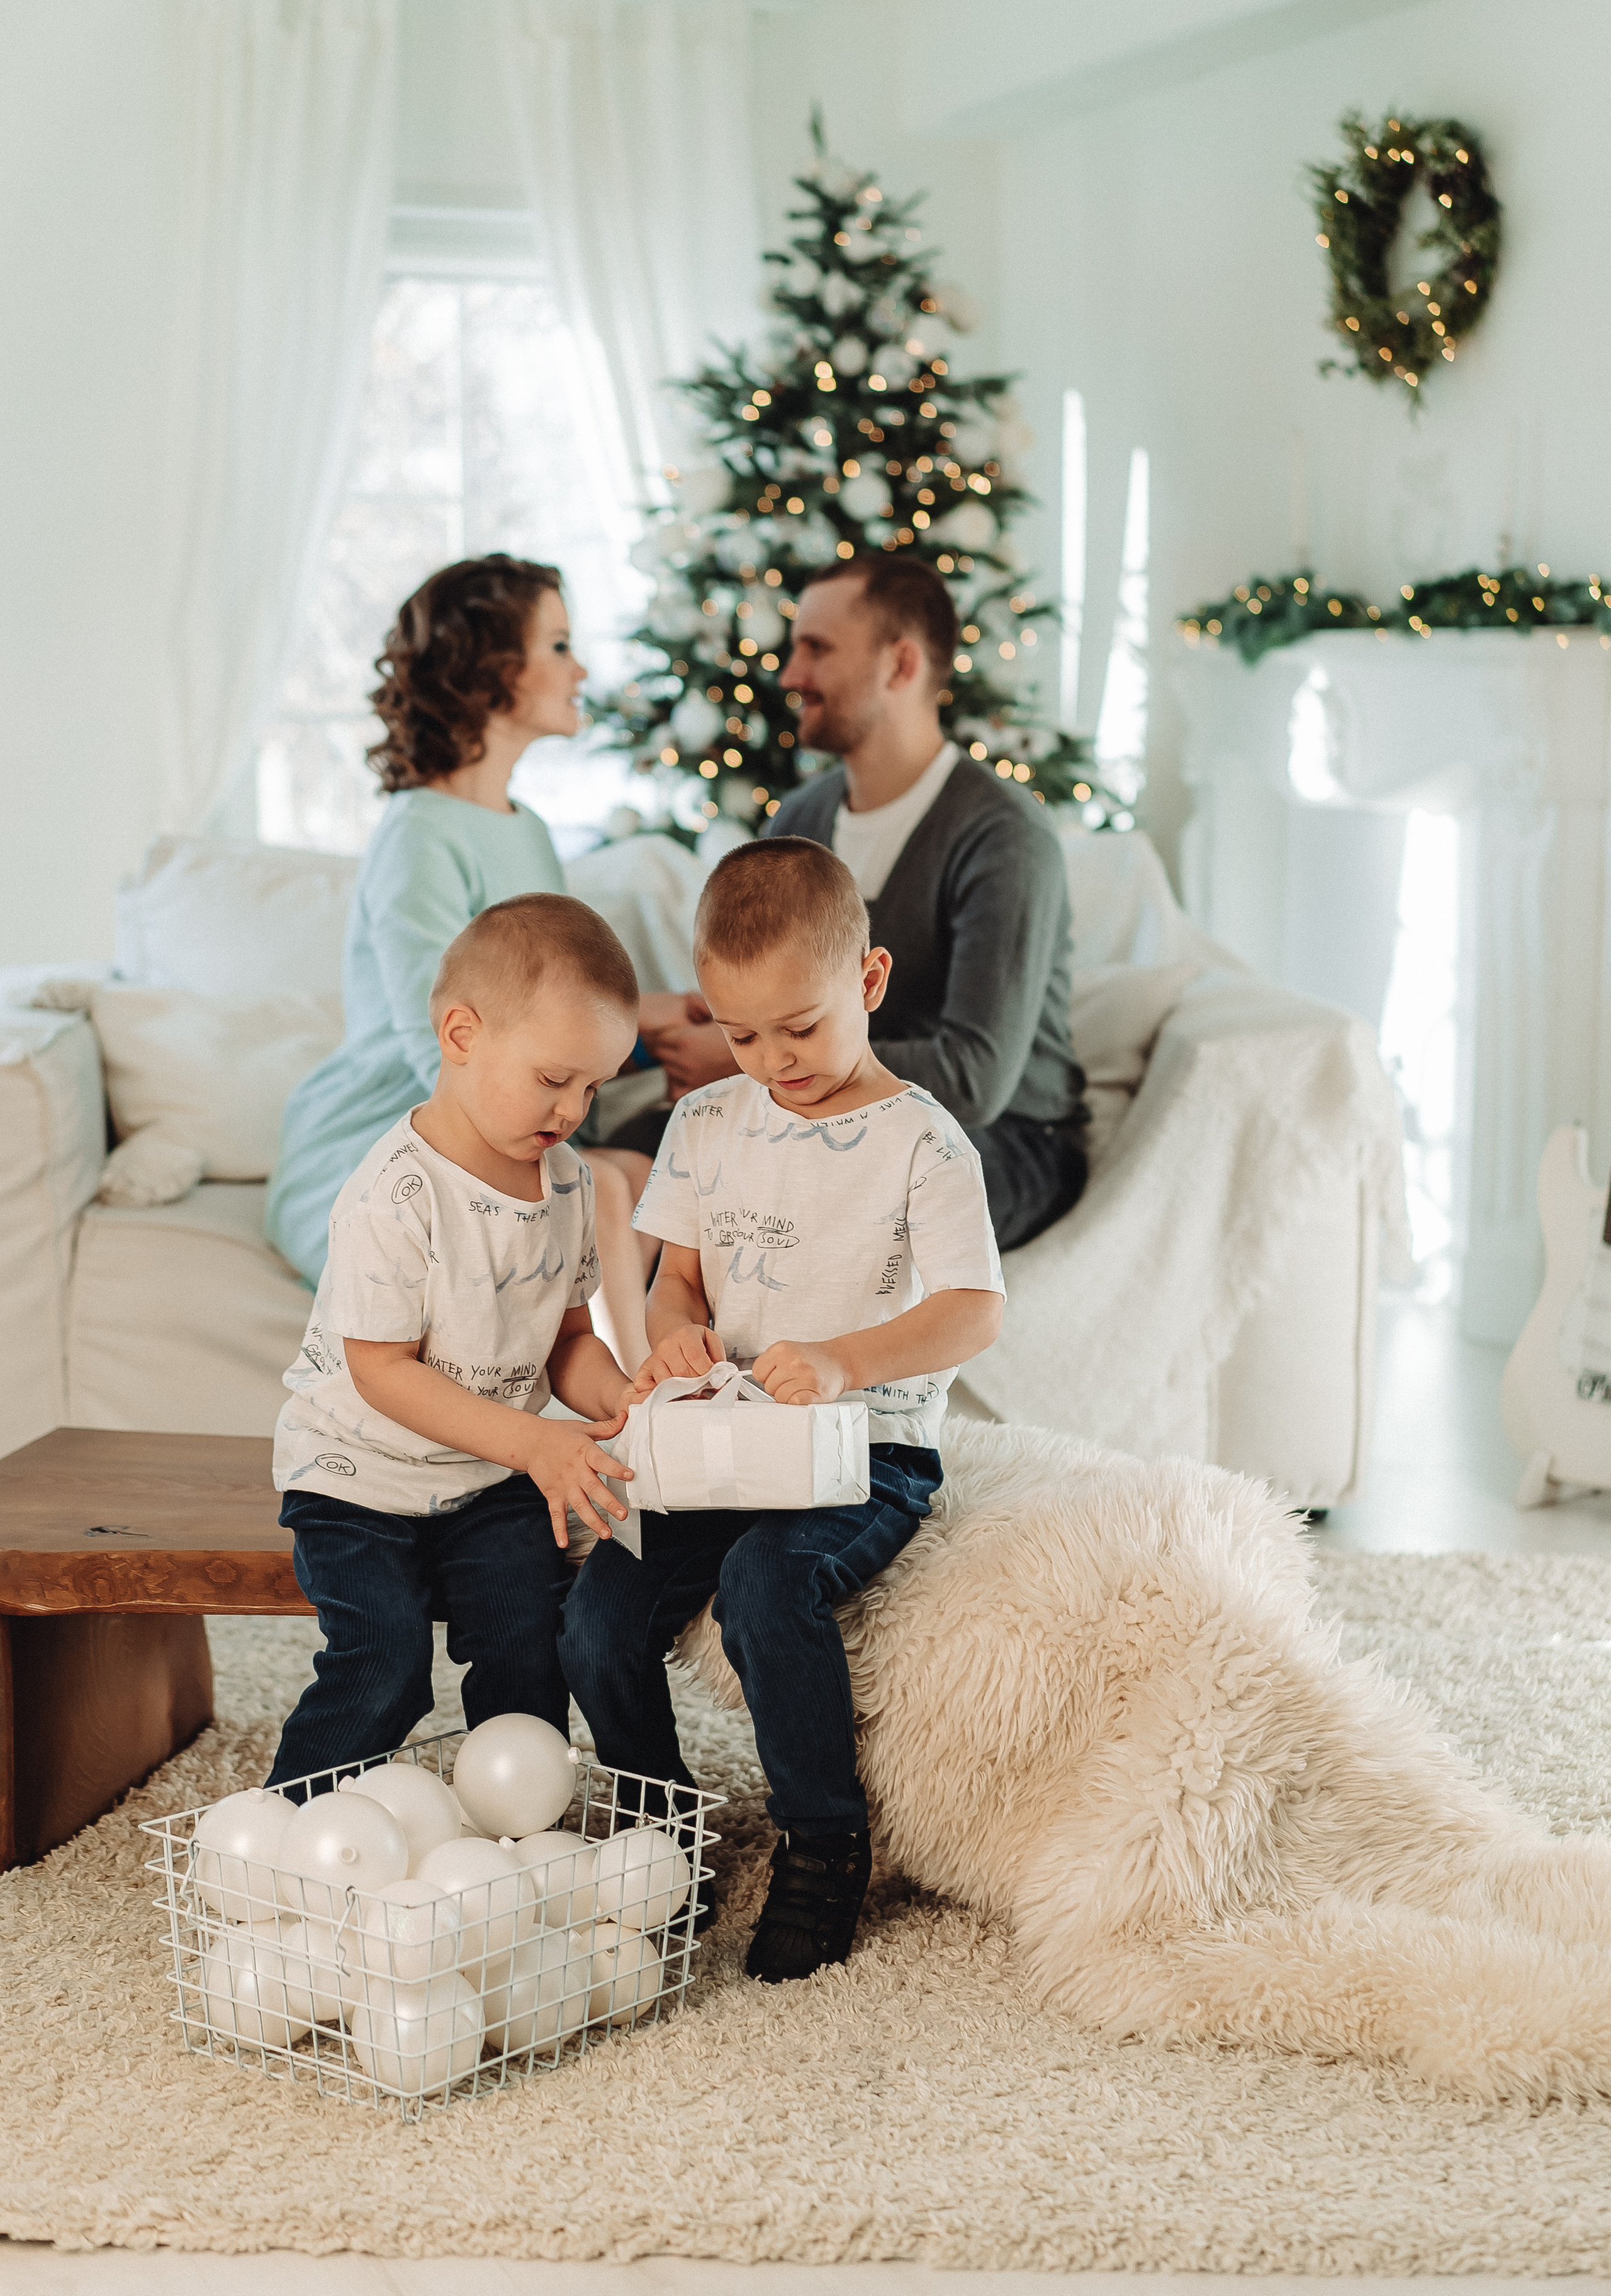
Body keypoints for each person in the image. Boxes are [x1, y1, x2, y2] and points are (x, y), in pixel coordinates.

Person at [560, 838, 1004, 1983]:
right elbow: (679, 1279)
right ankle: (663, 1826)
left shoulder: (923, 1142)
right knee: (598, 1610)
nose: (771, 1059)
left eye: (798, 1027)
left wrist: (849, 1361)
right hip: (723, 1437)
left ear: (869, 980)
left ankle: (824, 1838)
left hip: (868, 1445)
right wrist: (673, 1333)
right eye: (740, 1030)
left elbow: (972, 1313)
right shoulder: (710, 1123)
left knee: (766, 1582)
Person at [267, 893, 639, 1796]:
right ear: (461, 1033)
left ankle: (520, 1838)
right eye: (555, 1078)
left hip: (485, 1477)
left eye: (593, 1087)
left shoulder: (571, 1185)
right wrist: (537, 1442)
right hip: (359, 1474)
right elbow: (381, 1372)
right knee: (386, 1660)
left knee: (526, 1645)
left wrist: (620, 1400)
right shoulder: (396, 1194)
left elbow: (569, 1339)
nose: (574, 1108)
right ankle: (282, 1835)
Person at [624, 552, 1087, 1254]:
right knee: (633, 1159)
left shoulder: (1002, 837)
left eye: (816, 648)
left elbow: (974, 1076)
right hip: (816, 1104)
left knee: (797, 1188)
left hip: (1000, 1139)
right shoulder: (800, 819)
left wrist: (750, 1057)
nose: (790, 675)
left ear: (899, 666)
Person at [265, 555, 659, 1365]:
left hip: (499, 1106)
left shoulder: (530, 831)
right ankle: (636, 1424)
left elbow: (551, 1002)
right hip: (393, 1124)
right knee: (608, 1188)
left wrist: (665, 1019)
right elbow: (433, 1045)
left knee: (650, 1180)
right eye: (557, 645)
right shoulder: (420, 832)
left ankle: (634, 1395)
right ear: (489, 672)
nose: (579, 668)